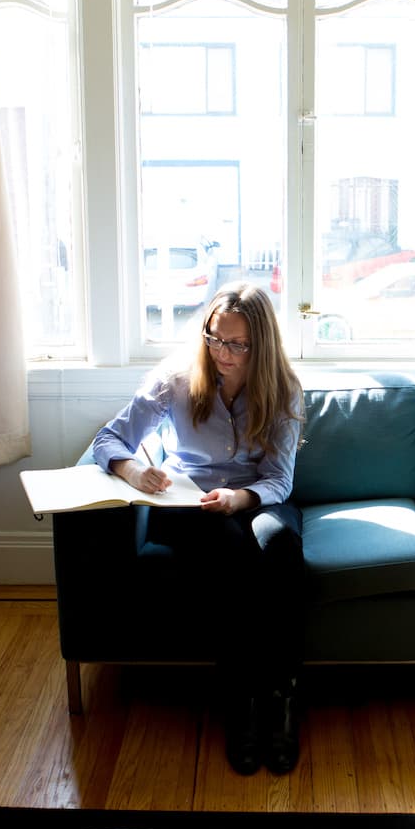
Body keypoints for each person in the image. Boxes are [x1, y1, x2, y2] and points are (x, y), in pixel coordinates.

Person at [91, 283, 307, 775]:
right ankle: (243, 703)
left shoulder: (282, 388)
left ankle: (283, 698)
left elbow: (279, 478)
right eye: (215, 338)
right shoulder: (174, 380)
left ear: (261, 346)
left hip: (254, 497)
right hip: (190, 505)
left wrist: (240, 499)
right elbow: (111, 438)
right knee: (233, 551)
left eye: (237, 344)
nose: (223, 353)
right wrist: (132, 471)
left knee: (281, 546)